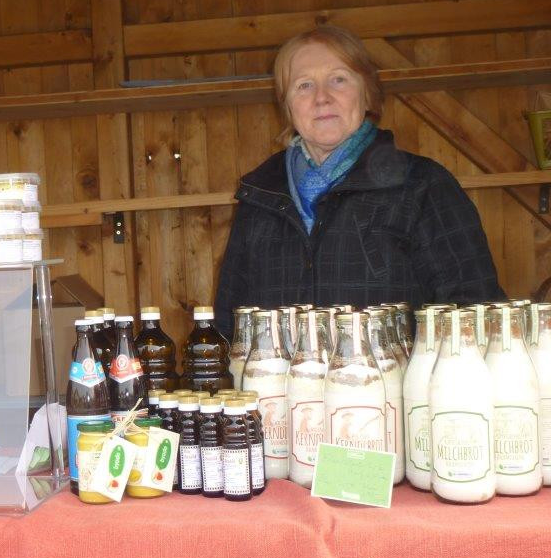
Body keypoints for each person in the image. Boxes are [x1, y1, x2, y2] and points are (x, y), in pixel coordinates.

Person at [213, 25, 503, 339]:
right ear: (287, 106)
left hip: (395, 387)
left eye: (338, 79)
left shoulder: (423, 185)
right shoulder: (259, 197)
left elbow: (475, 313)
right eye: (304, 85)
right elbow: (231, 328)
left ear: (367, 93)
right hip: (280, 389)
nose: (321, 98)